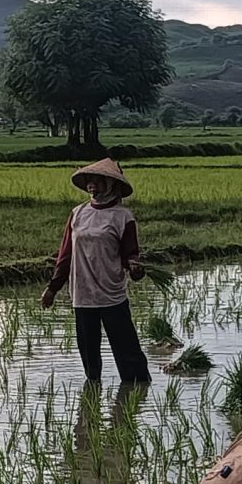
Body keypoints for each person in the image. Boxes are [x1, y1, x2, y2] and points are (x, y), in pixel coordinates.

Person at [43, 157, 149, 386]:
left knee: (128, 354)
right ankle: (92, 394)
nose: (92, 184)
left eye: (98, 180)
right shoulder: (77, 213)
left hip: (112, 295)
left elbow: (130, 255)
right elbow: (65, 255)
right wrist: (52, 288)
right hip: (82, 294)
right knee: (89, 357)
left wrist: (136, 268)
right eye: (89, 179)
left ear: (111, 184)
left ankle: (138, 392)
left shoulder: (123, 217)